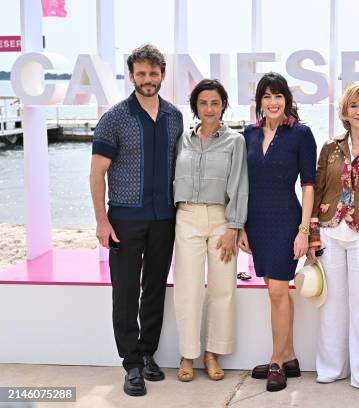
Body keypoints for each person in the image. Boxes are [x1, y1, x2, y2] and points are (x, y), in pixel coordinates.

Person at [90, 43, 183, 397]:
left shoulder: (175, 116)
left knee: (155, 288)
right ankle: (130, 364)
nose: (148, 79)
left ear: (162, 75)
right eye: (141, 73)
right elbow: (97, 173)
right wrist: (102, 221)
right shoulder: (114, 117)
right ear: (131, 75)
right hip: (125, 219)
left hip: (164, 219)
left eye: (154, 73)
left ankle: (148, 355)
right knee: (126, 292)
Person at [307, 84, 359, 397]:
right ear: (345, 111)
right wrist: (313, 235)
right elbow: (317, 190)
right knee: (332, 305)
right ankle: (331, 368)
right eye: (353, 105)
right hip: (331, 230)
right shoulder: (330, 147)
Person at [238, 72, 317, 392]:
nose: (272, 102)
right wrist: (241, 226)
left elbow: (308, 186)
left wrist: (303, 231)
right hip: (256, 222)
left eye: (278, 96)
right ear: (259, 102)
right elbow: (242, 185)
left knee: (277, 291)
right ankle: (290, 358)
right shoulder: (248, 135)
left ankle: (276, 361)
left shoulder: (301, 134)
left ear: (287, 99)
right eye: (266, 96)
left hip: (287, 220)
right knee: (276, 290)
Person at [173, 79, 248, 382]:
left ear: (223, 106)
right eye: (203, 103)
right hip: (187, 215)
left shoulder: (235, 141)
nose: (209, 109)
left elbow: (240, 186)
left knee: (222, 288)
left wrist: (234, 226)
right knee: (188, 288)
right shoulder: (183, 139)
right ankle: (188, 353)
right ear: (195, 107)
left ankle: (212, 353)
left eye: (214, 103)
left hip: (221, 219)